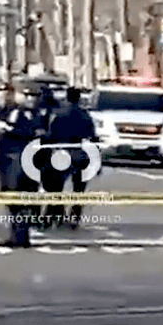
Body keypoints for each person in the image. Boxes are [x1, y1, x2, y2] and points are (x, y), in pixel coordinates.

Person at [0, 83, 43, 248]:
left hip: (15, 162)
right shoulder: (26, 113)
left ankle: (19, 237)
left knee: (16, 200)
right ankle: (20, 235)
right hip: (22, 162)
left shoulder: (20, 114)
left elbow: (18, 136)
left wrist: (6, 129)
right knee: (19, 201)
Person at [42, 86, 97, 229]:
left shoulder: (60, 114)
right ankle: (74, 216)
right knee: (79, 188)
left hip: (63, 153)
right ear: (79, 98)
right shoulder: (85, 115)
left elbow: (51, 135)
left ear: (67, 97)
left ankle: (54, 214)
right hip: (81, 152)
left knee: (56, 186)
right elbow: (92, 135)